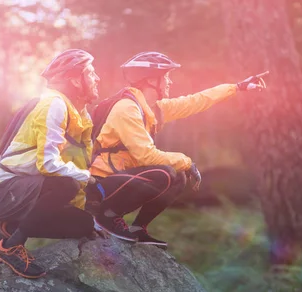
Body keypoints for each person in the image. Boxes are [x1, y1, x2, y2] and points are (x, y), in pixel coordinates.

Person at [88, 51, 267, 248]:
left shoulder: (153, 108)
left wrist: (236, 87)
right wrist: (187, 161)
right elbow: (146, 155)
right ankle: (106, 216)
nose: (169, 82)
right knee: (164, 173)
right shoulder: (126, 108)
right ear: (150, 81)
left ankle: (138, 228)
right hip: (101, 184)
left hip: (122, 178)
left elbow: (196, 101)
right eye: (165, 77)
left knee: (178, 176)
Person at [0, 49, 101, 279]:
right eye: (91, 73)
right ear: (75, 80)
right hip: (3, 191)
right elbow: (48, 164)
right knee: (68, 184)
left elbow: (73, 164)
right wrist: (87, 178)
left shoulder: (81, 115)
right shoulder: (54, 104)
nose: (97, 79)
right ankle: (10, 245)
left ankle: (6, 229)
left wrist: (84, 213)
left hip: (26, 191)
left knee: (83, 225)